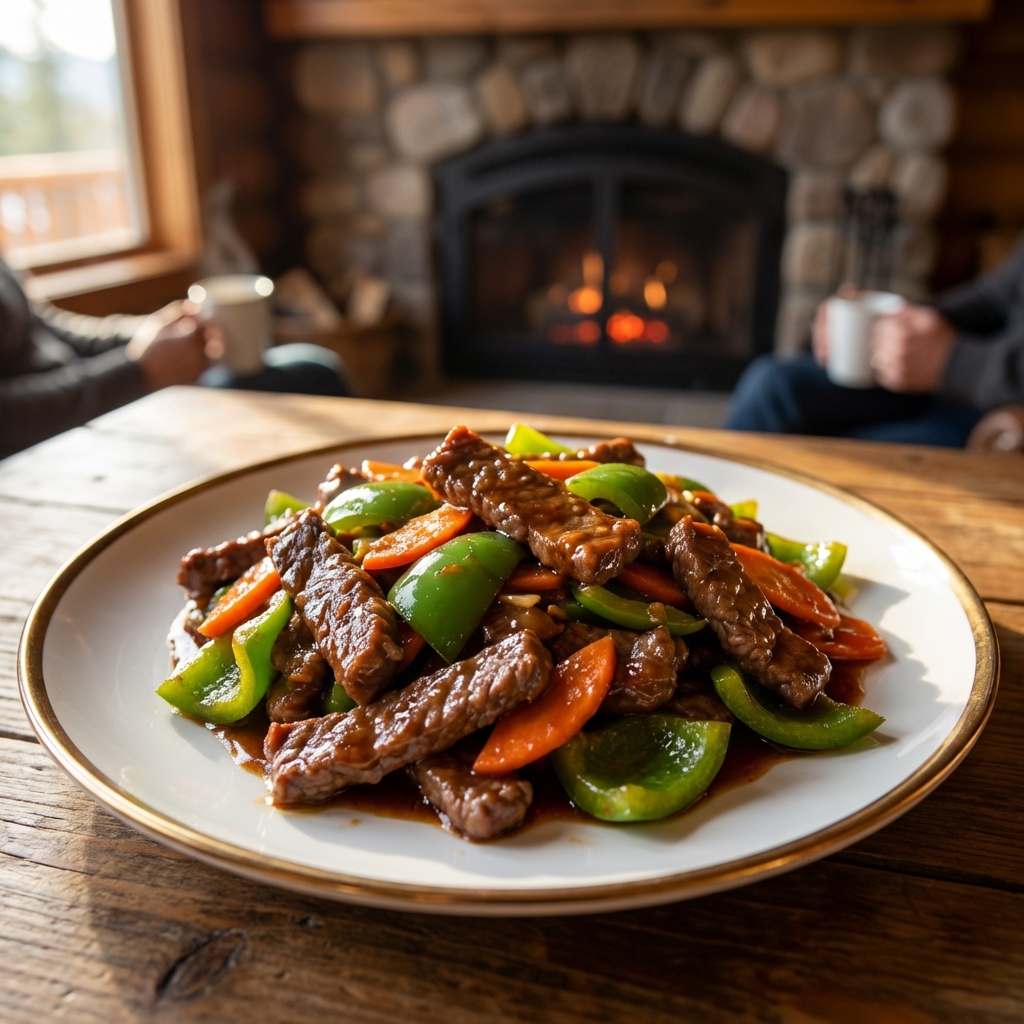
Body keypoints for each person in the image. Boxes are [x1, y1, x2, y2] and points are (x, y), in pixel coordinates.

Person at [0, 254, 348, 460]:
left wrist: (155, 334)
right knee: (313, 375)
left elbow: (52, 331)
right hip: (69, 429)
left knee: (313, 368)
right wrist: (138, 372)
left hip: (102, 399)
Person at [726, 238, 1024, 447]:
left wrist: (954, 362)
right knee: (772, 382)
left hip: (992, 413)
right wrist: (898, 320)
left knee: (825, 454)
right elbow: (992, 300)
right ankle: (702, 520)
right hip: (945, 383)